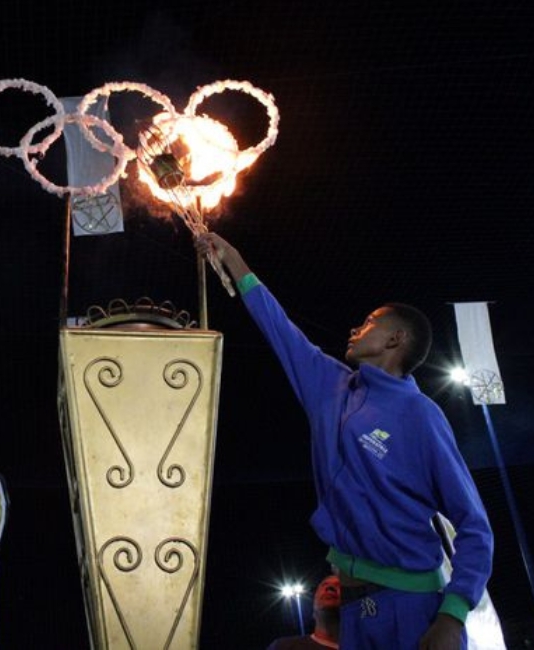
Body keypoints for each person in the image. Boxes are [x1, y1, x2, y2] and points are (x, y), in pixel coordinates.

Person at [195, 233, 493, 650]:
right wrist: (236, 264)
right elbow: (281, 330)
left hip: (412, 609)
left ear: (395, 340)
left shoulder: (421, 416)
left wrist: (452, 615)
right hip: (354, 614)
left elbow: (475, 526)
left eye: (371, 322)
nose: (357, 327)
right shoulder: (330, 386)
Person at [267, 575, 341, 649]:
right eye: (324, 585)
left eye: (339, 585)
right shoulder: (282, 647)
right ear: (313, 613)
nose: (329, 587)